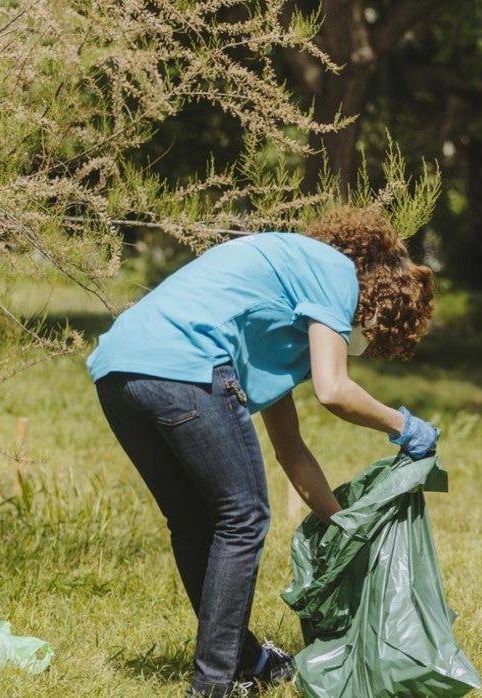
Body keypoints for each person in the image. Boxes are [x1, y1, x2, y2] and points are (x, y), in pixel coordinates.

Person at [87, 207, 438, 697]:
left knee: (194, 523)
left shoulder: (283, 308)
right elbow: (334, 390)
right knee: (243, 517)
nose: (362, 336)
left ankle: (247, 659)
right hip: (185, 364)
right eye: (374, 328)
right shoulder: (335, 271)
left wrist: (344, 525)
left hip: (118, 371)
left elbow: (291, 452)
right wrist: (404, 425)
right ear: (374, 292)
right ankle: (214, 685)